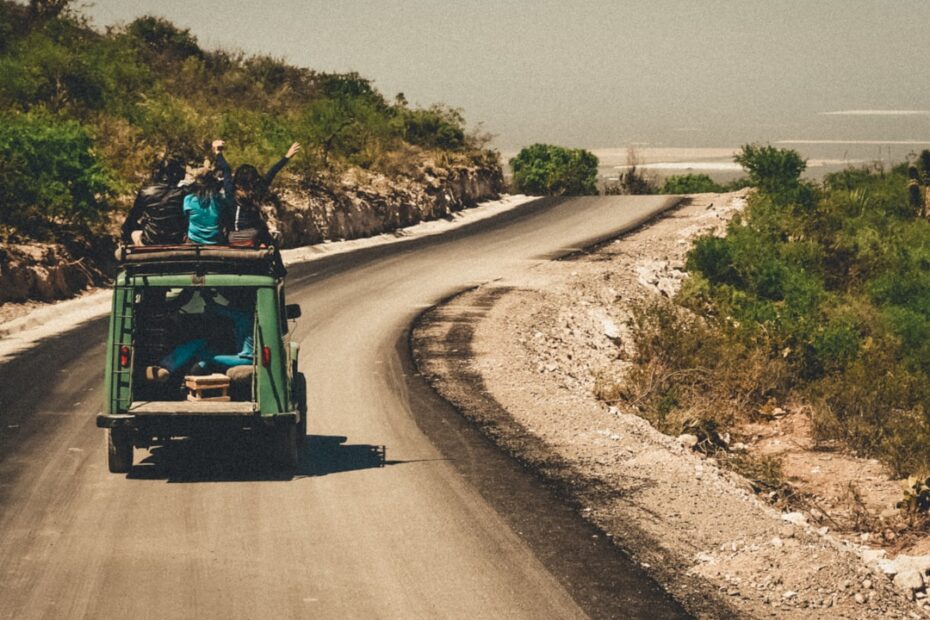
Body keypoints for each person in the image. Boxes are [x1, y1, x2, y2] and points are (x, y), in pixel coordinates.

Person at [145, 289, 254, 381]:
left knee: (202, 352)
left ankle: (171, 368)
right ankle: (192, 374)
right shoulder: (243, 316)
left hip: (246, 359)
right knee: (205, 348)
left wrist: (206, 298)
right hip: (240, 356)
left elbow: (218, 309)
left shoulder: (243, 316)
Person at [227, 142, 301, 248]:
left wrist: (218, 153)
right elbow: (272, 172)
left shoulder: (230, 191)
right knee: (271, 243)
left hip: (232, 237)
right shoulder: (257, 190)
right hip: (253, 235)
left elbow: (225, 170)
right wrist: (287, 157)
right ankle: (275, 258)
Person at [121, 156, 188, 246]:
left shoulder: (146, 192)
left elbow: (133, 218)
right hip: (176, 239)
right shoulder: (184, 193)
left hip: (150, 240)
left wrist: (125, 236)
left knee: (134, 234)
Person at [183, 140, 234, 245]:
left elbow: (185, 220)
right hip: (215, 241)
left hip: (194, 240)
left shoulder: (188, 200)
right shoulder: (219, 200)